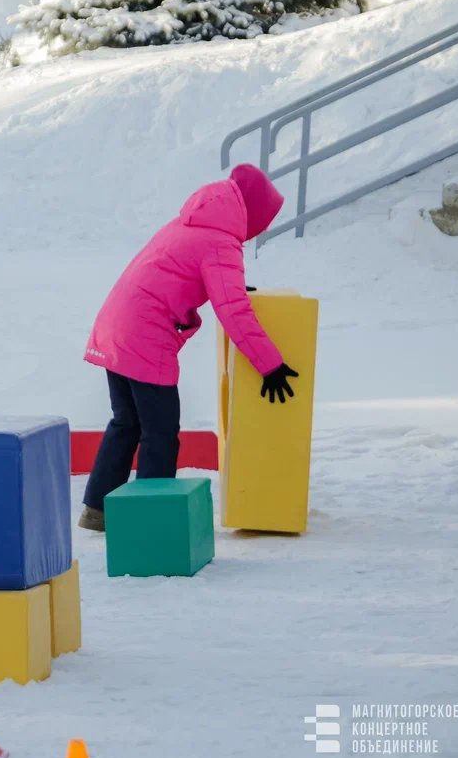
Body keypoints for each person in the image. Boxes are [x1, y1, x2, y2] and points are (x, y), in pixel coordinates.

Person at [78, 164, 300, 532]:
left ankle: (97, 510)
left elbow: (183, 274)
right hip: (145, 336)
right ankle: (150, 521)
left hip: (115, 326)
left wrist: (226, 287)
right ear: (253, 214)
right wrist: (270, 365)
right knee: (160, 432)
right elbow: (234, 313)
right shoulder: (221, 240)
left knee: (126, 422)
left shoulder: (191, 221)